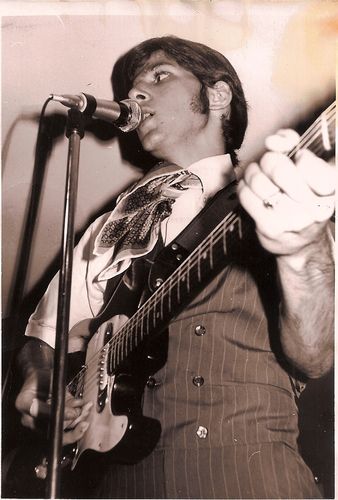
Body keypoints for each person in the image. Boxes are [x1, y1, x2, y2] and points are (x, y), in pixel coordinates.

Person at [14, 36, 334, 499]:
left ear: (217, 96)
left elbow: (315, 354)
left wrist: (303, 248)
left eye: (159, 76)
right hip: (115, 482)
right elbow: (44, 333)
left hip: (247, 473)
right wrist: (39, 378)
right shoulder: (110, 223)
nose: (136, 93)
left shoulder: (282, 195)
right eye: (133, 85)